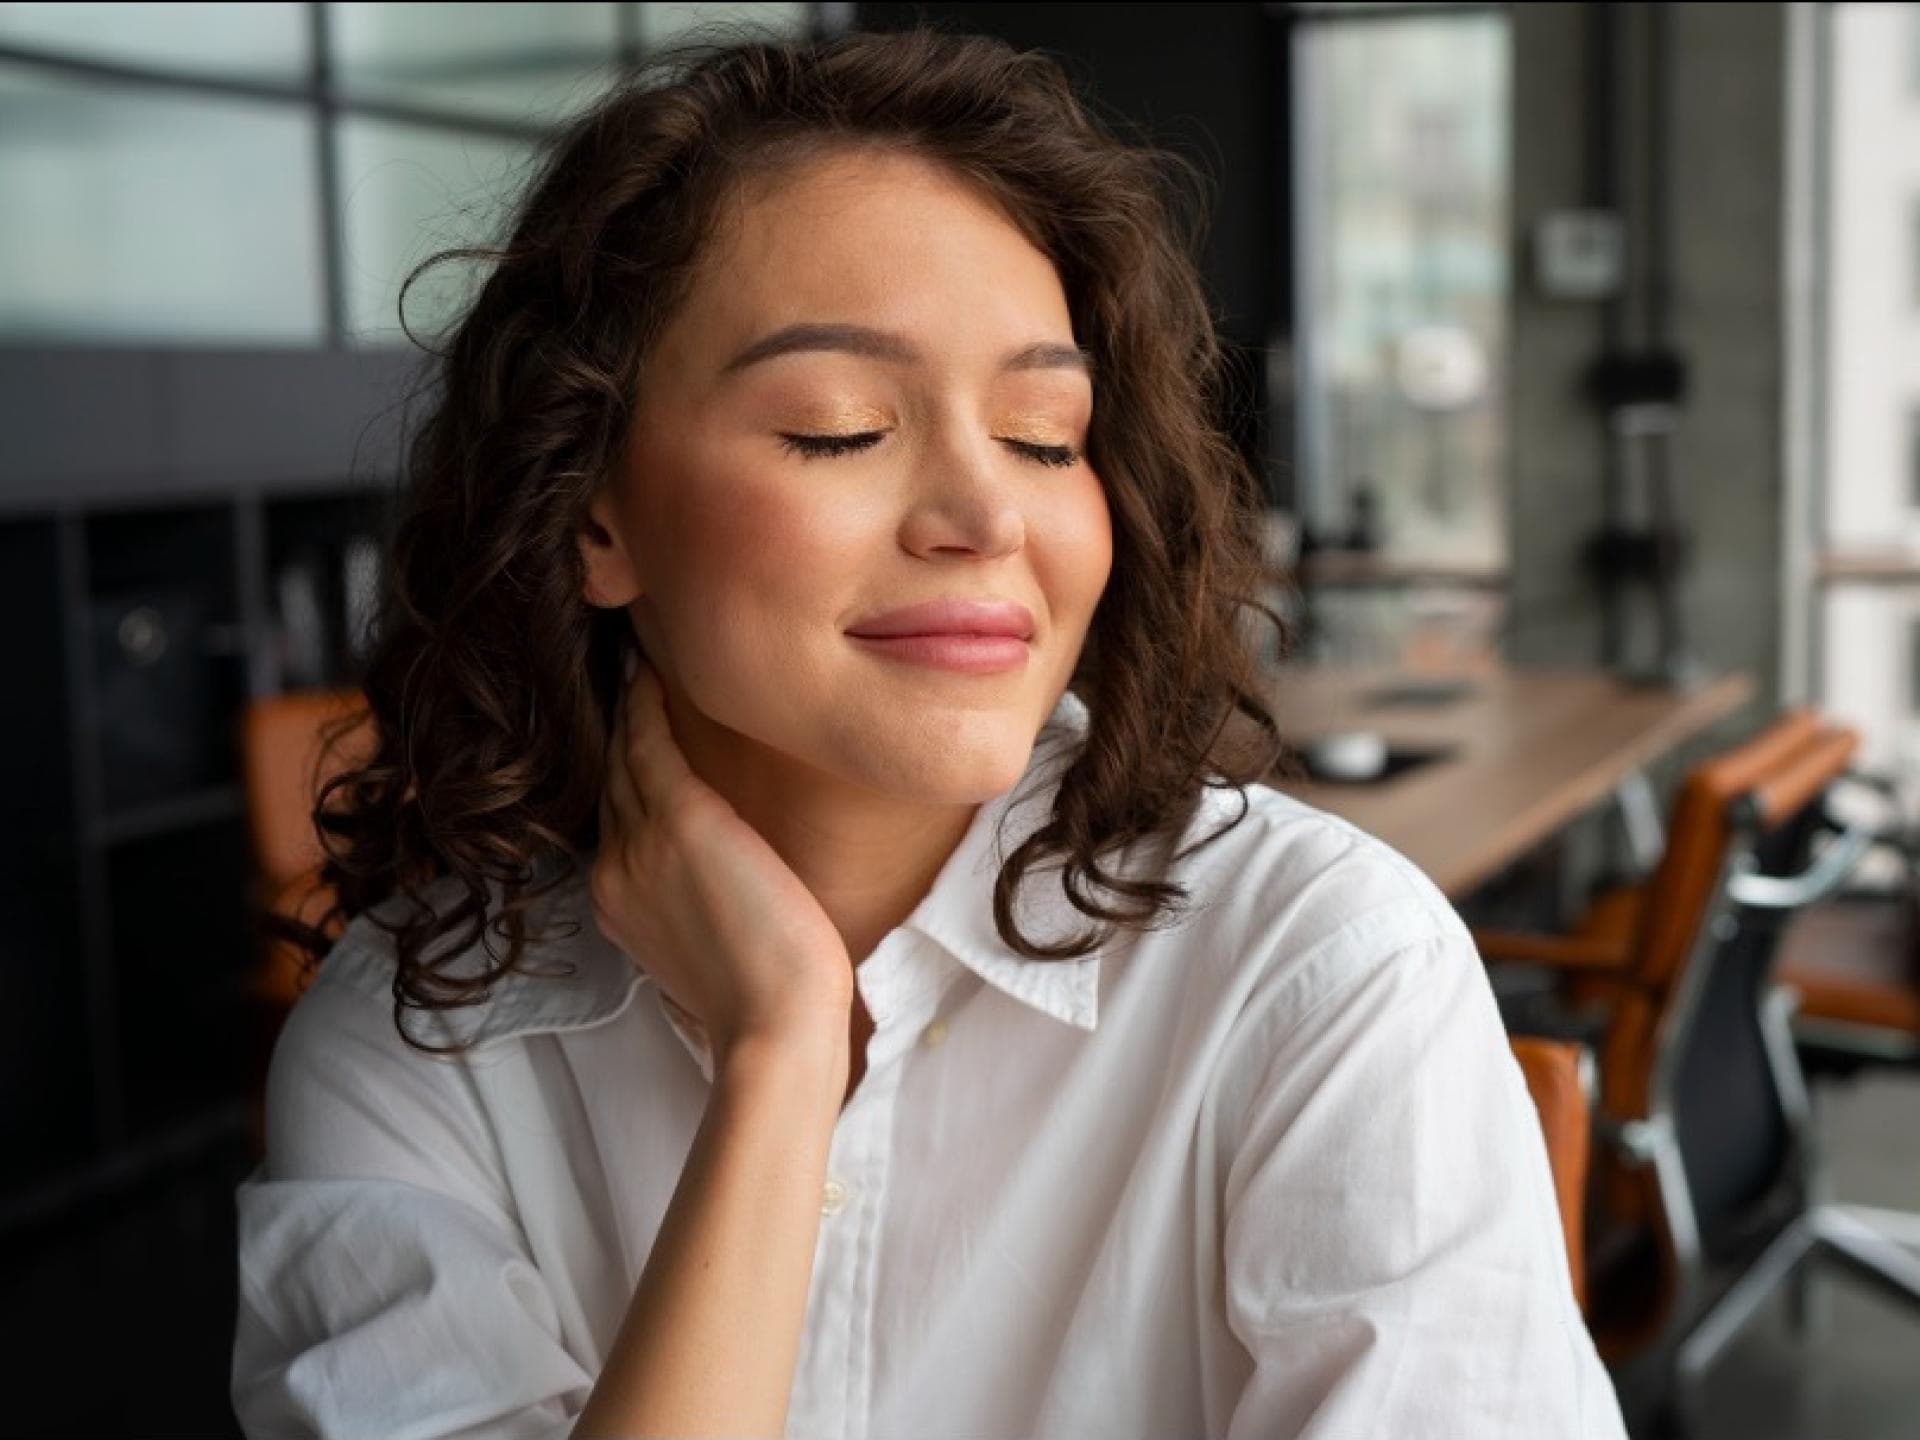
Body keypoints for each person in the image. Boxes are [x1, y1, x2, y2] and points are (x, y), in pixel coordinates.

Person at [231, 23, 1628, 1440]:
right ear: (593, 511)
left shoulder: (1321, 970)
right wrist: (780, 1061)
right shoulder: (419, 1035)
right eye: (839, 427)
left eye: (1045, 437)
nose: (985, 515)